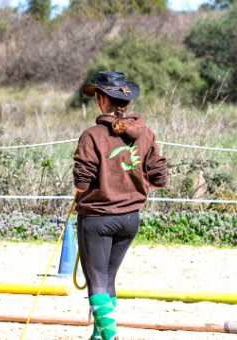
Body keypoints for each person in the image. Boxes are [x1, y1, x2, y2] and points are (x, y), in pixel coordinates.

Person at [73, 72, 168, 340]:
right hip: (130, 220)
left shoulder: (91, 135)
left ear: (102, 99)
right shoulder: (146, 134)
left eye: (96, 96)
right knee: (108, 279)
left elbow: (82, 183)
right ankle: (98, 336)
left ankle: (110, 337)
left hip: (98, 219)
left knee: (97, 282)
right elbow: (159, 180)